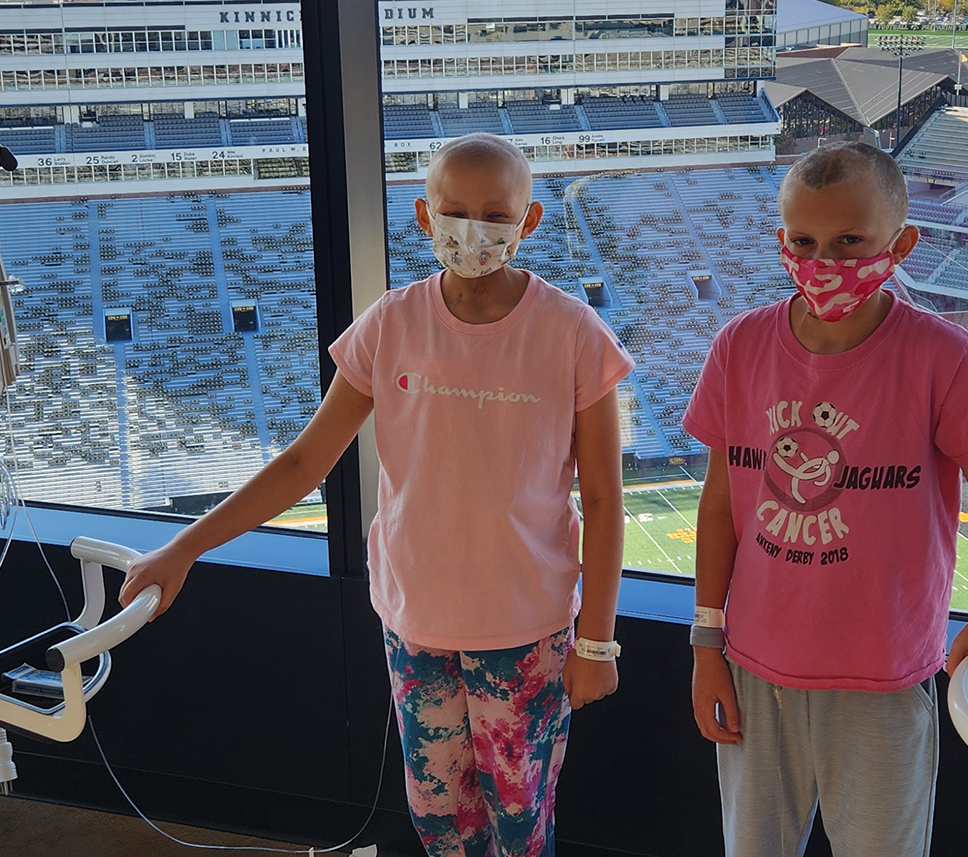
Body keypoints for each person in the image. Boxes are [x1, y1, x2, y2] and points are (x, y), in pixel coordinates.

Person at [118, 133, 632, 857]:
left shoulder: (574, 333)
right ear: (424, 216)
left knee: (522, 822)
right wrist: (183, 547)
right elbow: (303, 462)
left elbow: (605, 499)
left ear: (530, 222)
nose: (472, 229)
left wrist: (598, 640)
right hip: (416, 626)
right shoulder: (390, 323)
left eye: (495, 214)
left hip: (528, 632)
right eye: (454, 210)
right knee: (440, 819)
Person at [681, 141, 968, 856]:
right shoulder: (738, 348)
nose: (826, 260)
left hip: (883, 682)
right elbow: (719, 508)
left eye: (851, 241)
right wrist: (705, 643)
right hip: (753, 672)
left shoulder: (941, 356)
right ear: (781, 241)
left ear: (900, 242)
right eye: (806, 241)